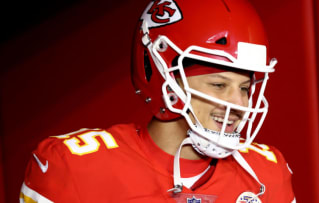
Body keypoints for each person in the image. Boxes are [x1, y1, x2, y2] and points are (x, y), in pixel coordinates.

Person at [20, 0, 295, 202]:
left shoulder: (266, 172)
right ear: (166, 81)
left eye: (245, 88)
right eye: (219, 85)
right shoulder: (74, 167)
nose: (238, 103)